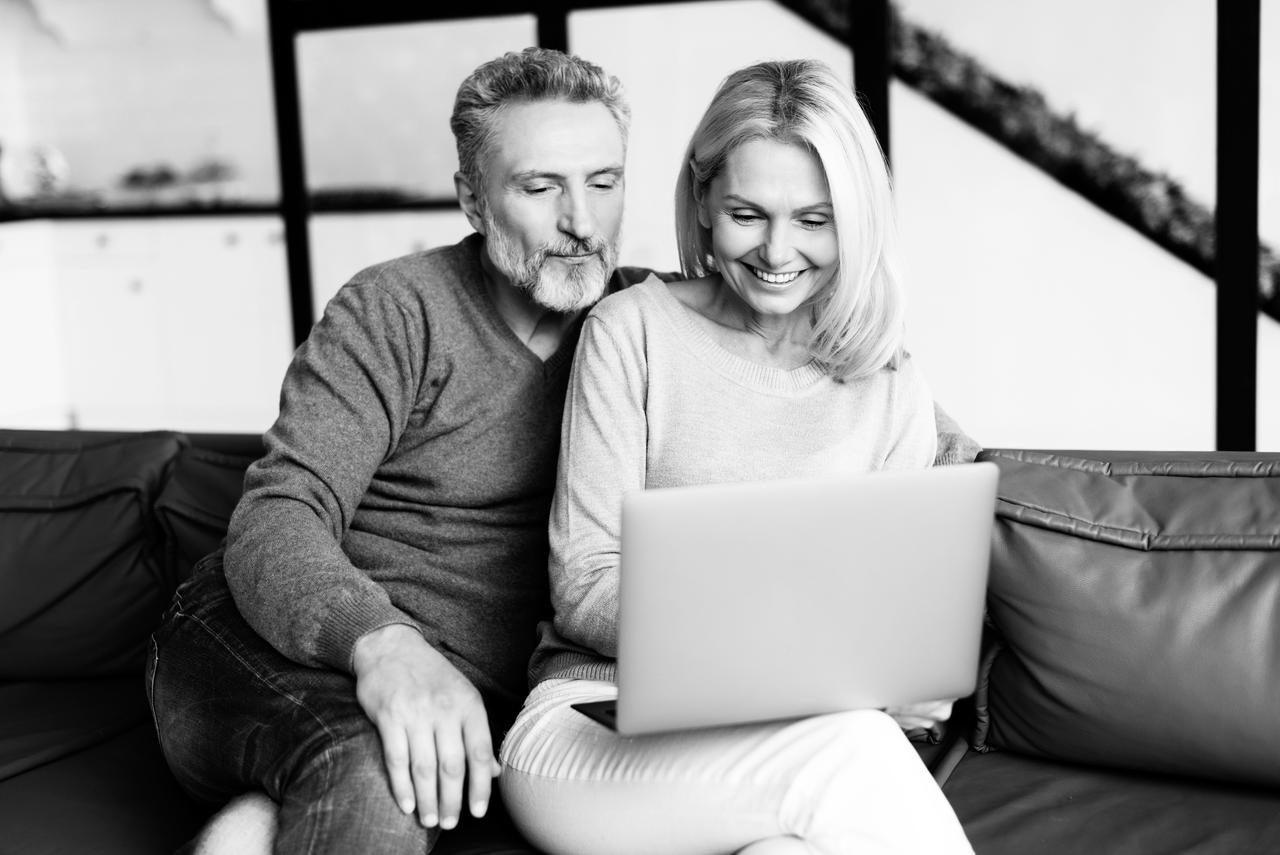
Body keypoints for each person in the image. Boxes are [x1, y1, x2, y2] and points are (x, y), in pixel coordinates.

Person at [146, 47, 650, 854]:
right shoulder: (396, 308)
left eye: (603, 181)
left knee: (307, 804)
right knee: (368, 761)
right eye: (540, 186)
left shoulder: (647, 323)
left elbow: (859, 390)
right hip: (269, 635)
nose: (582, 222)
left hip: (459, 696)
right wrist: (385, 648)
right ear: (473, 200)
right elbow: (279, 513)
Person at [497, 59, 975, 855]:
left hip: (793, 738)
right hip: (592, 729)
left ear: (857, 219)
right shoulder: (631, 333)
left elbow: (893, 610)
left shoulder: (890, 381)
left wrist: (902, 677)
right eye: (748, 214)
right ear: (703, 202)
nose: (777, 250)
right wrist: (777, 651)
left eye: (815, 220)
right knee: (853, 752)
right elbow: (582, 581)